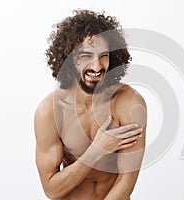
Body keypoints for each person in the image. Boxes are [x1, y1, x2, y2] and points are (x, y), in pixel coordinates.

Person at [34, 9, 147, 200]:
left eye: (104, 55)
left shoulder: (128, 102)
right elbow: (52, 190)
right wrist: (96, 151)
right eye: (86, 55)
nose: (96, 66)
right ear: (69, 59)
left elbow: (126, 183)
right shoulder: (50, 112)